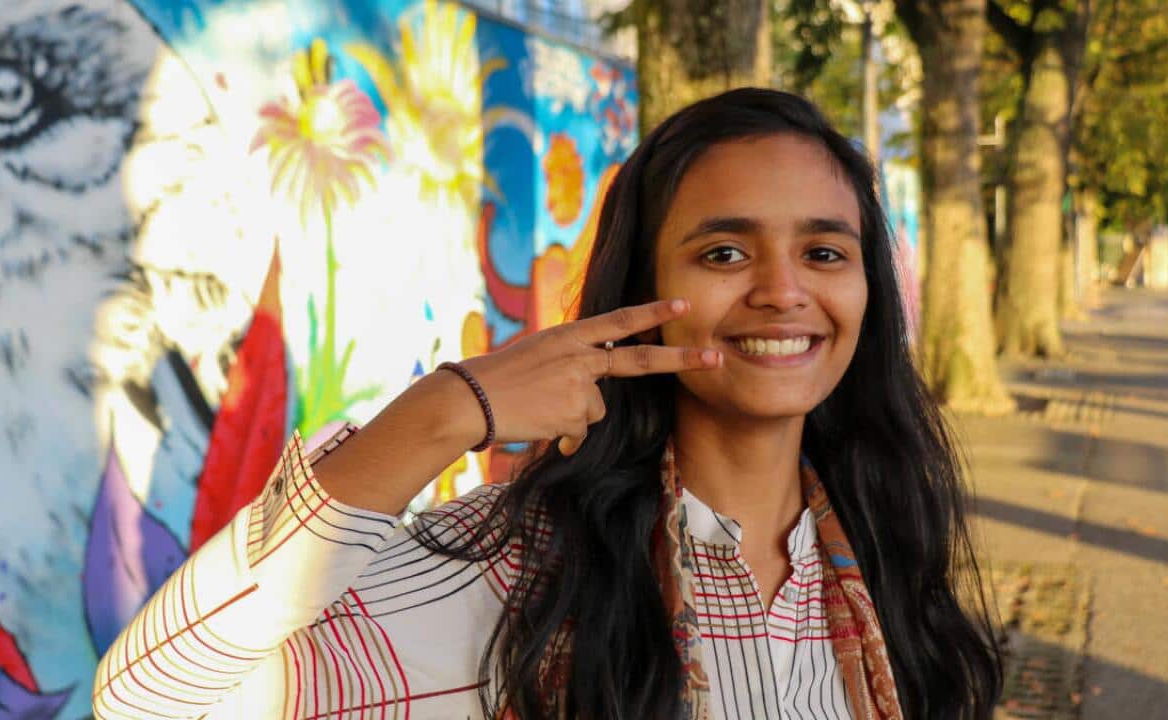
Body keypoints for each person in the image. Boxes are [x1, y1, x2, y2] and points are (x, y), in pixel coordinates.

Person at [92, 88, 1002, 720]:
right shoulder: (516, 569)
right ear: (639, 286)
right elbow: (149, 696)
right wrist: (443, 413)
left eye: (825, 253)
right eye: (724, 254)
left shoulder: (880, 545)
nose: (783, 292)